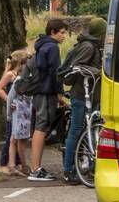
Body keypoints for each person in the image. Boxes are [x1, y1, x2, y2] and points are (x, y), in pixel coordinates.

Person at [62, 17, 106, 182]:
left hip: (92, 94)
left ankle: (92, 167)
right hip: (82, 95)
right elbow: (76, 66)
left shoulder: (95, 45)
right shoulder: (88, 46)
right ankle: (68, 170)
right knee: (76, 130)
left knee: (92, 130)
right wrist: (98, 71)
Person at [28, 18, 69, 181]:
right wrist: (59, 93)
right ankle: (35, 169)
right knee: (41, 128)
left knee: (41, 127)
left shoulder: (42, 46)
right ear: (53, 32)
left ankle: (35, 167)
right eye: (62, 32)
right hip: (46, 92)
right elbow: (55, 72)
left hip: (39, 91)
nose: (64, 36)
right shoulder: (52, 47)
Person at [0, 51, 25, 175]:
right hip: (12, 110)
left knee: (18, 136)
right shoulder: (10, 74)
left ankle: (17, 162)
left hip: (21, 110)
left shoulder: (22, 74)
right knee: (10, 136)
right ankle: (3, 164)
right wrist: (9, 100)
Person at [5, 50, 33, 176]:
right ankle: (23, 165)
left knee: (16, 139)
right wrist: (9, 114)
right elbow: (10, 97)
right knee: (19, 139)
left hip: (24, 113)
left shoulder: (26, 79)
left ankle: (14, 165)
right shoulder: (19, 80)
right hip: (20, 113)